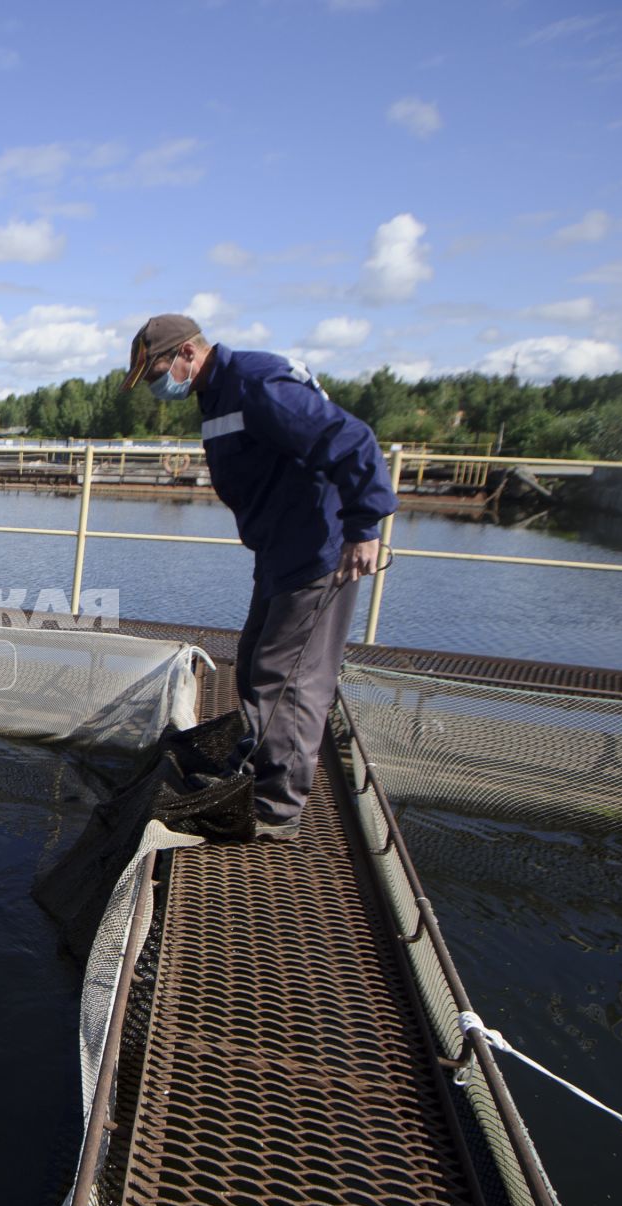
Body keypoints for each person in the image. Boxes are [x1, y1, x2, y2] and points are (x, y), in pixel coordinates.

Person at [120, 314, 396, 840]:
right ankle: (254, 768)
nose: (156, 386)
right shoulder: (220, 392)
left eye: (155, 371)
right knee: (253, 659)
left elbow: (351, 438)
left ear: (185, 354)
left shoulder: (253, 382)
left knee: (286, 676)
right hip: (280, 550)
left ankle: (274, 808)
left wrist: (365, 525)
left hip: (316, 551)